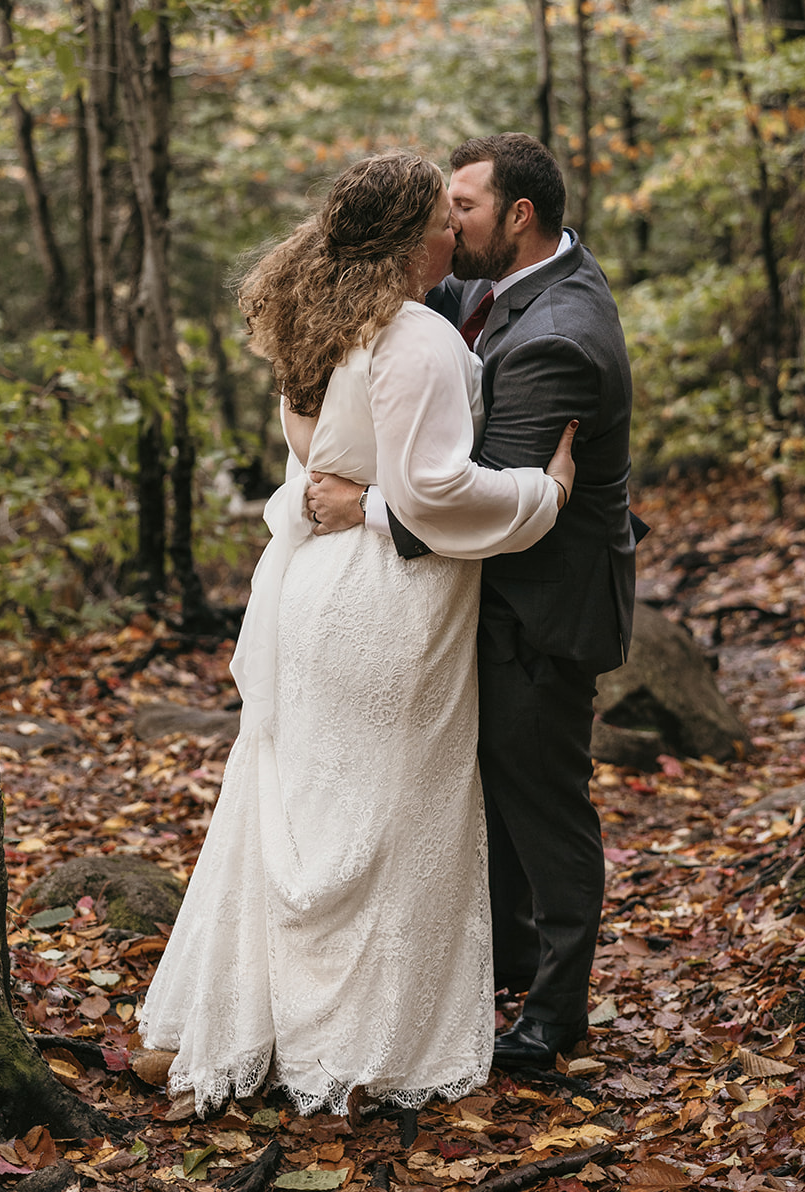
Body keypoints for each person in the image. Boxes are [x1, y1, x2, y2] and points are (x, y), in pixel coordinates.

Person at [139, 152, 577, 1118]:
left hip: (313, 591)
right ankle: (360, 1047)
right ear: (401, 238)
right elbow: (434, 492)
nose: (451, 237)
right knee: (389, 819)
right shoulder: (412, 334)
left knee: (306, 812)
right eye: (437, 222)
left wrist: (356, 497)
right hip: (389, 596)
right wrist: (541, 495)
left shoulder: (315, 315)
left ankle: (276, 1026)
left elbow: (321, 463)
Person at [307, 134, 638, 1071]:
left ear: (518, 217)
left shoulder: (557, 338)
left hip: (540, 605)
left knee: (542, 803)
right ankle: (510, 965)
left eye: (463, 208)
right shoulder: (503, 287)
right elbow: (398, 284)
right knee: (490, 795)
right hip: (490, 599)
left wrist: (360, 505)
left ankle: (555, 1012)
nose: (446, 226)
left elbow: (480, 495)